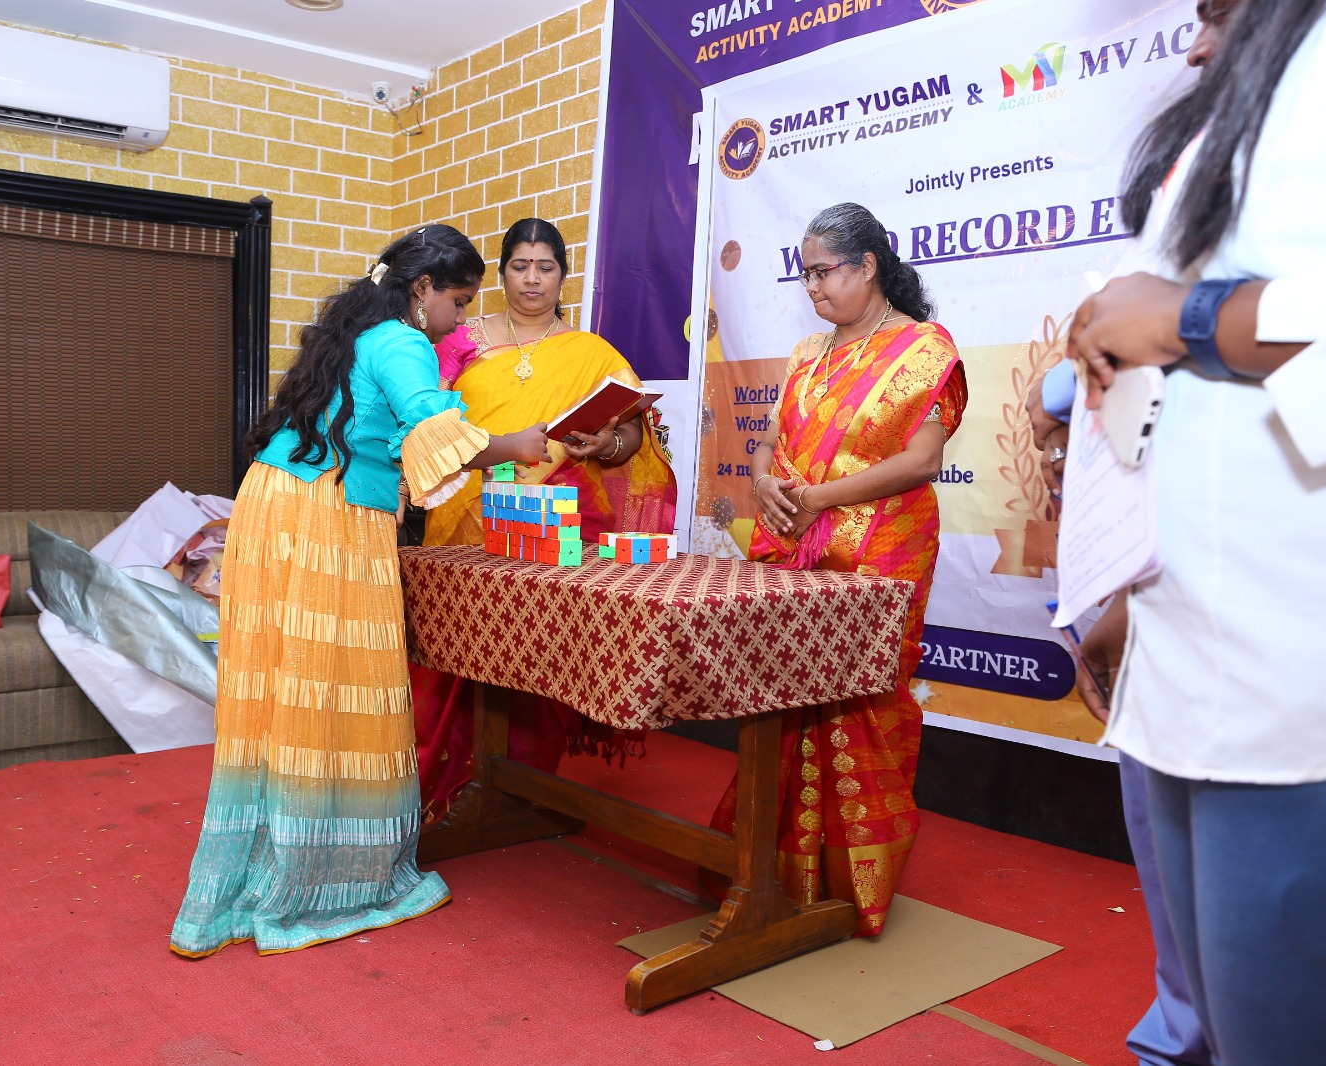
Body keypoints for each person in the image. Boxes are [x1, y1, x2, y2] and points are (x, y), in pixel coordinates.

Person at [1066, 0, 1326, 1061]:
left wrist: (1190, 320)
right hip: (1184, 650)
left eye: (1213, 12)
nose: (1194, 32)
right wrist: (1124, 595)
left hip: (1314, 690)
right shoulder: (1246, 94)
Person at [170, 224, 551, 958]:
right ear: (422, 291)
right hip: (330, 520)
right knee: (345, 682)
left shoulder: (352, 333)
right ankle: (325, 877)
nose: (462, 320)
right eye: (460, 301)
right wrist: (515, 444)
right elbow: (433, 431)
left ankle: (261, 865)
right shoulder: (404, 341)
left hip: (274, 505)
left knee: (284, 687)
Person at [1029, 5, 1241, 1061]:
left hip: (1212, 611)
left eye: (1219, 17)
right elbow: (1074, 403)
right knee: (1167, 847)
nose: (1193, 47)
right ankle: (1180, 1028)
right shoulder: (1124, 308)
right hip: (1135, 602)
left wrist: (1123, 603)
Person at [709, 203, 966, 935]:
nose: (814, 287)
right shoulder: (804, 355)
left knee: (864, 709)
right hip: (797, 549)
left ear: (867, 266)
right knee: (783, 701)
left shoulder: (923, 350)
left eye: (825, 272)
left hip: (880, 554)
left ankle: (852, 884)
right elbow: (768, 443)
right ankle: (773, 869)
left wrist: (816, 496)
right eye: (807, 274)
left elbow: (922, 460)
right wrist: (764, 483)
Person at [411, 218, 677, 826]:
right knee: (454, 656)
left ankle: (522, 791)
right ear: (501, 274)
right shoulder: (459, 338)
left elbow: (636, 433)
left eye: (546, 267)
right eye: (520, 266)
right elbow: (425, 425)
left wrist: (604, 443)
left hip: (549, 530)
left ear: (564, 275)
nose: (533, 279)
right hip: (462, 520)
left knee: (536, 651)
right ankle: (442, 790)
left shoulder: (589, 352)